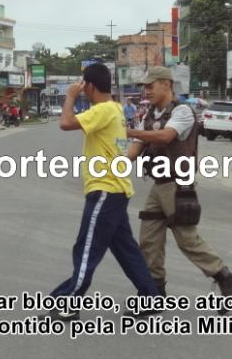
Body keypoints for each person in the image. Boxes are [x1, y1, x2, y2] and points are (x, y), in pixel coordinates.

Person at [41, 64, 161, 322]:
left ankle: (68, 302)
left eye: (84, 87)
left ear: (91, 87)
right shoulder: (116, 109)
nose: (82, 91)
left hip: (105, 190)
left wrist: (70, 96)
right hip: (117, 189)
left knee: (86, 249)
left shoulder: (103, 109)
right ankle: (151, 297)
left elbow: (65, 122)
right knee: (126, 250)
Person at [126, 66, 232, 307]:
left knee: (186, 239)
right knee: (149, 238)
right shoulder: (148, 115)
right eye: (144, 87)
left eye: (151, 85)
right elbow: (135, 149)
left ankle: (225, 277)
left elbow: (164, 137)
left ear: (166, 85)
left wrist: (126, 130)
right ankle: (154, 293)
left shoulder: (182, 112)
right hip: (159, 185)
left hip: (177, 185)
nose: (146, 91)